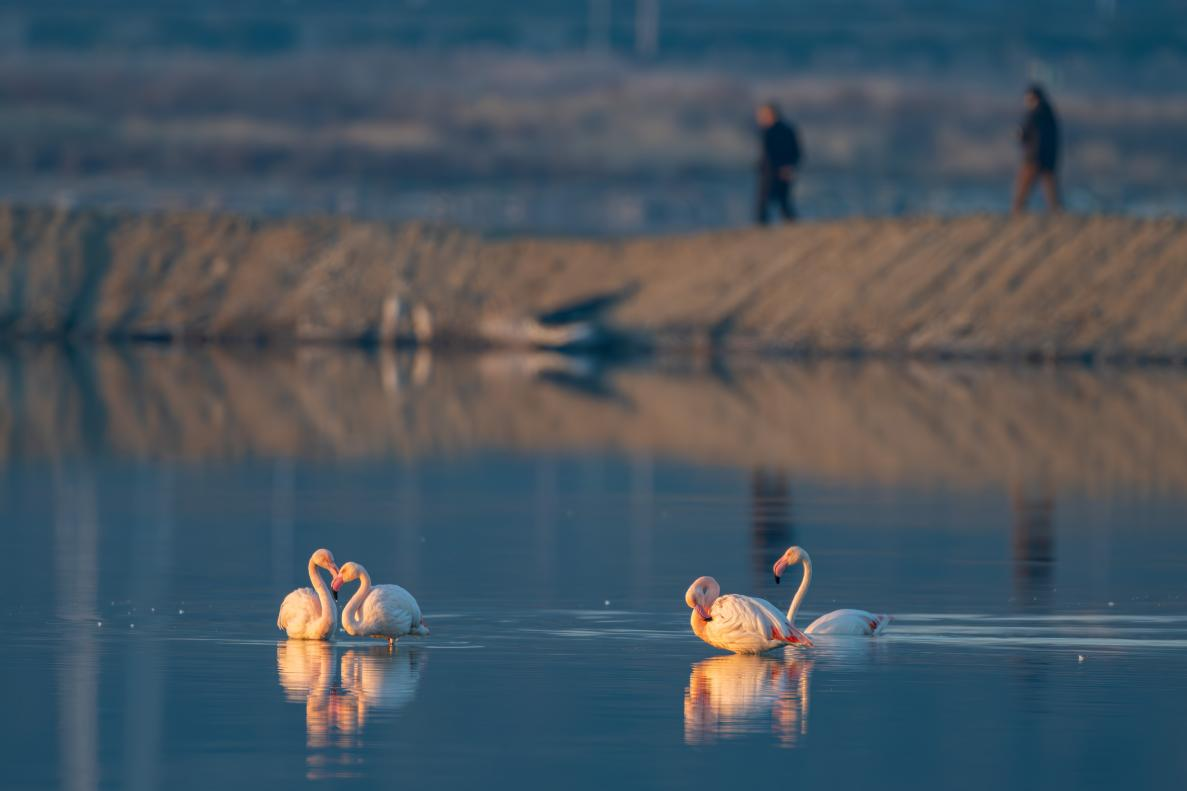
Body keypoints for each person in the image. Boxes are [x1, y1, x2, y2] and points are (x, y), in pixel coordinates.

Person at [1011, 84, 1062, 213]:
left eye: (1028, 98)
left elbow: (1025, 133)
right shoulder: (1049, 113)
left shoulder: (1035, 114)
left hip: (1033, 158)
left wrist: (1020, 135)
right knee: (1050, 190)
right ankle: (1057, 212)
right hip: (1048, 158)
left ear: (1034, 98)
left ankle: (1017, 213)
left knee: (1022, 188)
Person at [755, 103, 801, 225]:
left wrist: (784, 167)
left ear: (771, 115)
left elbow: (770, 155)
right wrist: (789, 166)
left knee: (764, 204)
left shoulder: (770, 132)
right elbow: (797, 152)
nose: (760, 118)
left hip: (771, 173)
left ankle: (761, 231)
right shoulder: (788, 130)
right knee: (783, 201)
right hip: (782, 171)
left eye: (763, 115)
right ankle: (791, 226)